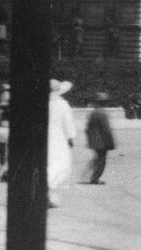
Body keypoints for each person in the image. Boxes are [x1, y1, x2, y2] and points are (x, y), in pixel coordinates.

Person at [47, 79, 78, 207]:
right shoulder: (63, 104)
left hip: (42, 136)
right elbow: (68, 124)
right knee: (59, 164)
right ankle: (50, 196)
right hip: (57, 137)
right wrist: (70, 137)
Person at [84, 92, 117, 183]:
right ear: (104, 103)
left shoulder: (93, 112)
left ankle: (93, 177)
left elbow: (87, 128)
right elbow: (106, 129)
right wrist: (111, 142)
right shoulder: (103, 113)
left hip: (94, 140)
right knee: (102, 160)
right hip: (102, 141)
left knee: (98, 159)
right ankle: (95, 178)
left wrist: (90, 138)